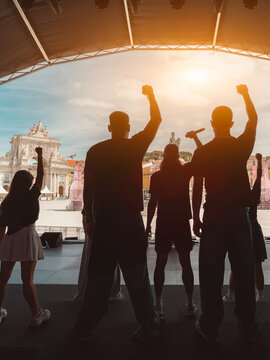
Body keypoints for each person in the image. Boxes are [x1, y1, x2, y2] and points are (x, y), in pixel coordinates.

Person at [74, 85, 163, 343]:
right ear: (128, 127)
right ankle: (149, 325)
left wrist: (87, 217)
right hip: (130, 222)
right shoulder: (135, 146)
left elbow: (88, 187)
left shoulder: (95, 151)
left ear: (110, 128)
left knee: (98, 281)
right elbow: (156, 120)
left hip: (104, 223)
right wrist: (151, 96)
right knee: (137, 279)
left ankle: (84, 327)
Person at [191, 84, 259, 343]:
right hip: (240, 217)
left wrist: (195, 217)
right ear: (231, 123)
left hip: (214, 216)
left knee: (211, 274)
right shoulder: (241, 145)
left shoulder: (203, 151)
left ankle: (210, 326)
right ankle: (247, 323)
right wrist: (245, 95)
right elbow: (253, 119)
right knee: (243, 272)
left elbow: (197, 187)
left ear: (211, 123)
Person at [145, 129, 204, 319]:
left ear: (163, 156)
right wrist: (195, 137)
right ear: (178, 156)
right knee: (186, 263)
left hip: (163, 222)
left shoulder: (156, 176)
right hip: (181, 222)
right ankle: (189, 303)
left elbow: (153, 203)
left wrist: (148, 226)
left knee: (160, 263)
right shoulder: (185, 171)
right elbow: (202, 155)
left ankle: (158, 303)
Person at [0, 146, 50, 327]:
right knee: (27, 280)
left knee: (2, 279)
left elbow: (1, 226)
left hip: (10, 237)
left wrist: (3, 244)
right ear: (29, 183)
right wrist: (40, 156)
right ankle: (36, 314)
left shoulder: (7, 201)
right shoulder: (32, 195)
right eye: (31, 181)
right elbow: (41, 176)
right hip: (27, 236)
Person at [223, 153, 267, 303]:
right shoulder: (253, 194)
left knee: (236, 264)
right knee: (257, 264)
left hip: (239, 227)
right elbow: (259, 177)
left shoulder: (233, 194)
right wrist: (259, 161)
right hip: (254, 227)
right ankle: (260, 295)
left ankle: (230, 294)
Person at [74, 210, 122, 303]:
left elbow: (87, 205)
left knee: (91, 255)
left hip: (94, 219)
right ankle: (110, 289)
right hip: (109, 220)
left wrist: (87, 221)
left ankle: (90, 289)